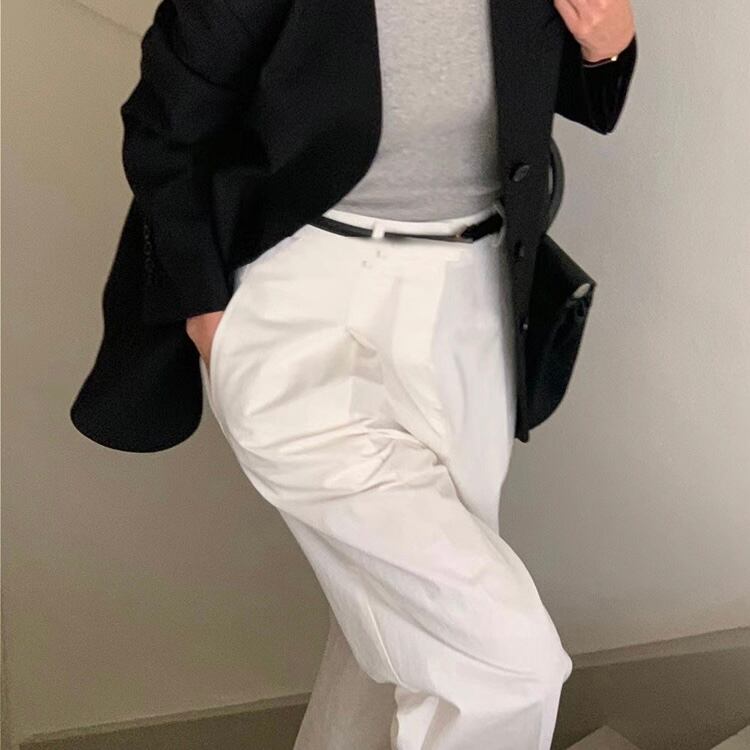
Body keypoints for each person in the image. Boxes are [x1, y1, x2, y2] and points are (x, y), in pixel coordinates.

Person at [70, 0, 637, 747]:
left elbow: (558, 87)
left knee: (409, 625)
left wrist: (609, 49)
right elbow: (164, 128)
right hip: (304, 300)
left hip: (471, 300)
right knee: (504, 664)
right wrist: (206, 310)